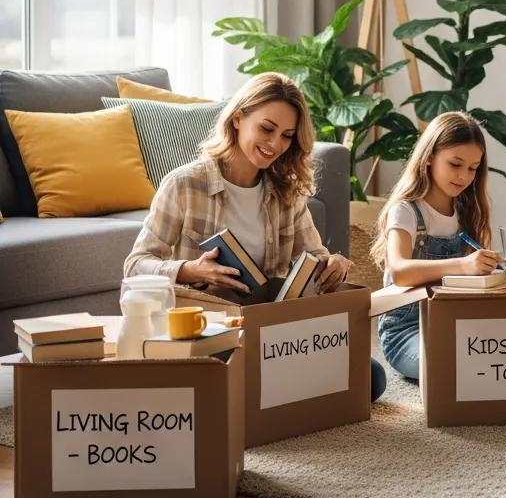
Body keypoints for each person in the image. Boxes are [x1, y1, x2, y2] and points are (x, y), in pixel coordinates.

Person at [125, 72, 386, 401]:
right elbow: (135, 265)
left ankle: (266, 388)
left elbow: (315, 256)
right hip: (210, 332)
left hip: (271, 334)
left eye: (287, 135)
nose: (275, 144)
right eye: (266, 128)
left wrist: (333, 264)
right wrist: (190, 270)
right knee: (228, 381)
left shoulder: (285, 192)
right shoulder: (185, 184)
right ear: (238, 119)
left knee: (371, 378)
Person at [371, 112, 500, 381]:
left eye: (473, 168)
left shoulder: (469, 213)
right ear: (429, 157)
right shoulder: (406, 211)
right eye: (455, 164)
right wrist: (464, 265)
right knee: (451, 366)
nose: (464, 176)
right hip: (407, 331)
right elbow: (400, 272)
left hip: (455, 322)